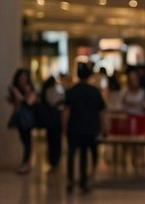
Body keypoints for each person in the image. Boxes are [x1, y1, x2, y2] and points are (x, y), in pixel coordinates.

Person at [63, 63, 106, 193]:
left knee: (71, 154)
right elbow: (101, 112)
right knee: (84, 154)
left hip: (74, 127)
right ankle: (83, 181)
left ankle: (71, 180)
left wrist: (64, 126)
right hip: (90, 127)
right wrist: (104, 127)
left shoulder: (71, 91)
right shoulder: (94, 92)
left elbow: (66, 111)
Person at [7, 69, 37, 174]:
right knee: (24, 140)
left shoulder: (29, 89)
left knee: (27, 141)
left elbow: (28, 102)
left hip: (28, 118)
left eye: (24, 77)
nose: (23, 79)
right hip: (20, 118)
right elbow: (15, 104)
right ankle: (25, 163)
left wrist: (17, 93)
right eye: (21, 77)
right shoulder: (17, 89)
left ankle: (26, 164)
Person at [39, 75, 65, 172]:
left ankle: (53, 160)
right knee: (55, 141)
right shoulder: (52, 91)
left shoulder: (47, 91)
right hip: (54, 120)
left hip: (51, 121)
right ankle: (54, 160)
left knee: (52, 141)